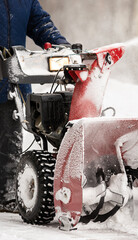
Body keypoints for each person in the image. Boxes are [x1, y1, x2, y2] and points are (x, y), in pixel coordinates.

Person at [0, 0, 69, 212]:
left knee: (10, 140)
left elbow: (40, 24)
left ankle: (7, 194)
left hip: (10, 80)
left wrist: (60, 46)